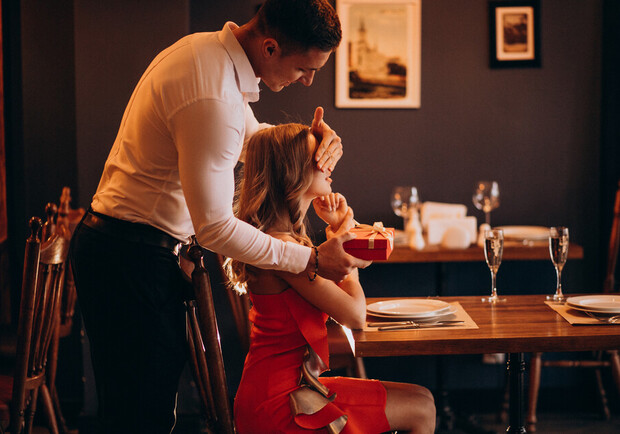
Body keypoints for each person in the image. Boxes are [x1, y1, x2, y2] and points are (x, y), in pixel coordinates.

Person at [70, 1, 371, 432]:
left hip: (133, 250)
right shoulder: (212, 92)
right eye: (306, 69)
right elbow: (214, 228)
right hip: (129, 256)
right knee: (140, 417)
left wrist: (312, 144)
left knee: (148, 409)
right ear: (270, 48)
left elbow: (251, 141)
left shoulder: (209, 59)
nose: (308, 81)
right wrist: (311, 260)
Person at [227, 123, 436, 433]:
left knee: (422, 398)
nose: (328, 165)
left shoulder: (286, 243)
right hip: (278, 404)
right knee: (422, 409)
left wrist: (340, 236)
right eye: (318, 158)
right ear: (293, 175)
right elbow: (354, 315)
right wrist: (344, 246)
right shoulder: (284, 250)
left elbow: (341, 301)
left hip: (291, 386)